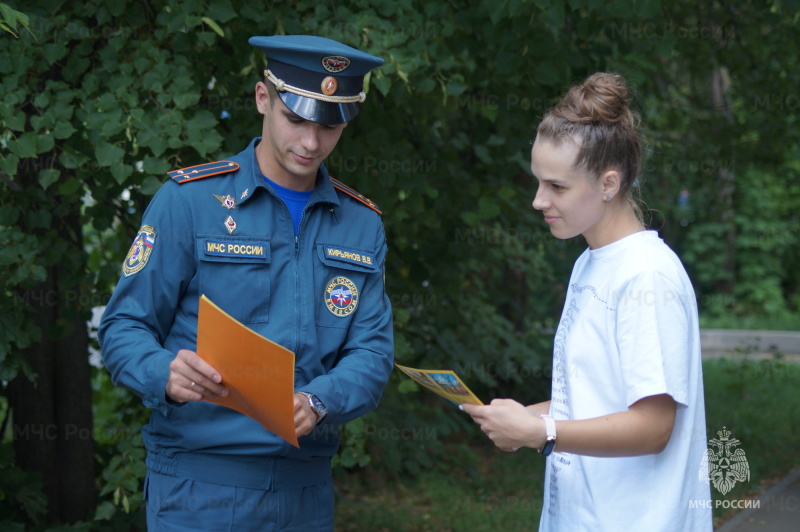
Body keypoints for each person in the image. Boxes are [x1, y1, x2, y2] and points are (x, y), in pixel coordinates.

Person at [98, 35, 394, 531]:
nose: (310, 143)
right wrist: (163, 371)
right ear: (263, 98)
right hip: (198, 488)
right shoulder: (189, 203)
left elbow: (373, 354)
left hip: (305, 492)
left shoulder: (361, 225)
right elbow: (123, 327)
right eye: (296, 118)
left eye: (329, 125)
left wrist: (321, 400)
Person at [461, 72, 712, 531]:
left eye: (556, 187)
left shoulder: (647, 276)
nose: (539, 201)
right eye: (539, 183)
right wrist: (522, 418)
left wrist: (543, 432)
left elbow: (654, 427)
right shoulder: (591, 262)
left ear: (608, 184)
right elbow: (596, 400)